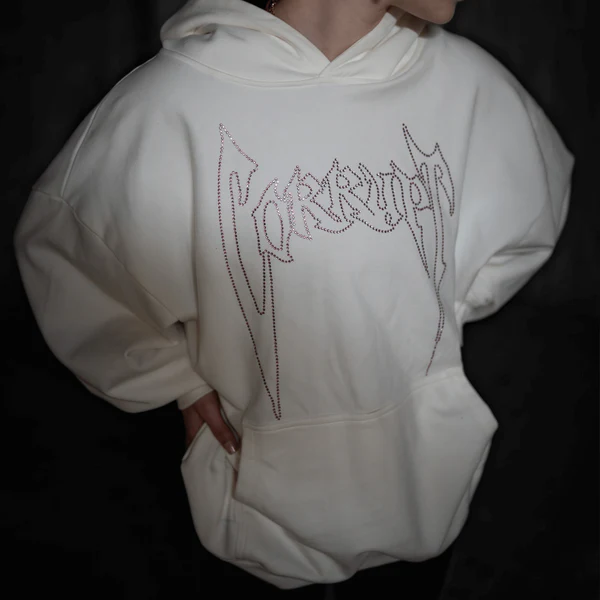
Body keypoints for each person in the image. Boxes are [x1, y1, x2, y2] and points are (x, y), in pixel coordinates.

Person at [13, 0, 573, 595]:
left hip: (428, 488)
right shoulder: (172, 103)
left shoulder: (465, 83)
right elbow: (67, 254)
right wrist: (174, 377)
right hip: (251, 519)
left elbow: (532, 201)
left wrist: (437, 315)